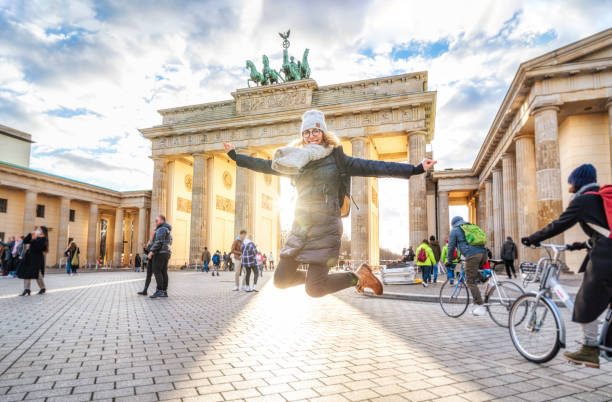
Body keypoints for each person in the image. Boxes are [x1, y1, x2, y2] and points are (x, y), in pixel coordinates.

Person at [223, 109, 435, 298]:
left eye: (315, 131)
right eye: (306, 132)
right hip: (300, 228)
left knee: (314, 290)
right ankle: (351, 276)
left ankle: (356, 277)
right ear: (302, 136)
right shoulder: (296, 161)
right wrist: (235, 157)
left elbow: (374, 166)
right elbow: (266, 165)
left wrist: (415, 169)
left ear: (323, 133)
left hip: (325, 229)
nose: (311, 136)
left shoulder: (338, 159)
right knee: (280, 280)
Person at [522, 164, 612, 369]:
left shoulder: (583, 200)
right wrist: (576, 246)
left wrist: (531, 239)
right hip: (606, 248)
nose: (569, 184)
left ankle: (589, 349)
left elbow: (559, 224)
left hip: (607, 258)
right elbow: (603, 231)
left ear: (577, 181)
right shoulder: (599, 198)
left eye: (570, 180)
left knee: (586, 300)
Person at [448, 216, 488, 316]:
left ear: (453, 224)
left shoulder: (455, 230)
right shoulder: (471, 226)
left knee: (470, 281)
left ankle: (480, 305)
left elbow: (451, 246)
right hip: (483, 254)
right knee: (472, 271)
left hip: (472, 255)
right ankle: (485, 280)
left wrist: (449, 260)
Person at [17, 226, 48, 296]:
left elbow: (38, 248)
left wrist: (33, 239)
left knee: (37, 273)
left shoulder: (44, 239)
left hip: (37, 258)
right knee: (26, 272)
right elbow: (25, 241)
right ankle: (26, 289)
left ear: (43, 231)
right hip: (29, 256)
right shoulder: (34, 235)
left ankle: (42, 288)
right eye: (37, 229)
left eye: (39, 229)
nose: (37, 230)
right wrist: (30, 234)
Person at [148, 215, 172, 299]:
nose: (155, 222)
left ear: (162, 220)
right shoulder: (167, 229)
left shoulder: (161, 229)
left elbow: (159, 242)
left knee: (157, 270)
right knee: (163, 271)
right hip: (166, 252)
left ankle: (159, 290)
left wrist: (151, 251)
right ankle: (164, 291)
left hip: (160, 252)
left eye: (156, 220)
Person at [137, 231, 155, 296]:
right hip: (150, 260)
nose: (151, 234)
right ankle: (145, 290)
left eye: (152, 233)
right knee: (148, 276)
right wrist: (145, 248)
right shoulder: (151, 241)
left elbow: (154, 250)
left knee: (158, 275)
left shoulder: (156, 240)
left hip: (155, 260)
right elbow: (148, 252)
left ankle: (161, 291)